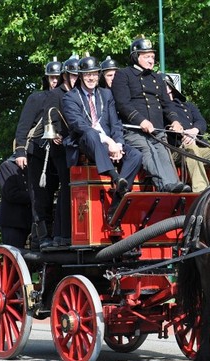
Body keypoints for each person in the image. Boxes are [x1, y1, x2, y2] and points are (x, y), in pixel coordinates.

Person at [63, 55, 142, 221]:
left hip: (110, 142)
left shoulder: (106, 95)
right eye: (87, 74)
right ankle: (115, 176)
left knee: (136, 155)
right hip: (85, 143)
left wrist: (118, 144)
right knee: (91, 133)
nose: (91, 78)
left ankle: (119, 198)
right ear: (81, 76)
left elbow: (115, 123)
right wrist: (108, 141)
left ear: (98, 75)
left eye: (94, 74)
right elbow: (79, 125)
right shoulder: (70, 97)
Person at [111, 37, 191, 193]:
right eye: (146, 56)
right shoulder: (123, 75)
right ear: (136, 56)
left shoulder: (157, 78)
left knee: (163, 152)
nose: (151, 60)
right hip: (134, 131)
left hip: (157, 130)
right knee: (149, 151)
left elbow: (167, 104)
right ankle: (164, 186)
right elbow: (123, 104)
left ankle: (175, 187)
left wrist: (175, 121)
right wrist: (141, 121)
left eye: (152, 57)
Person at [13, 57, 63, 249]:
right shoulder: (36, 98)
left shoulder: (68, 98)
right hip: (38, 154)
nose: (55, 81)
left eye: (58, 77)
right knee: (41, 197)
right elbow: (24, 126)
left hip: (60, 154)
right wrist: (20, 152)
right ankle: (42, 237)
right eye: (51, 78)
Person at [39, 55, 80, 247]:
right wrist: (55, 133)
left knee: (74, 188)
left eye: (77, 76)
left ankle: (70, 232)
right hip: (60, 147)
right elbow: (50, 116)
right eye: (72, 76)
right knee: (67, 186)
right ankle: (62, 234)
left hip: (76, 145)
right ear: (65, 76)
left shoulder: (80, 93)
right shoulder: (56, 94)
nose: (75, 79)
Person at [164, 76, 210, 192]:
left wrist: (194, 131)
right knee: (191, 148)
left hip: (198, 145)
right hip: (176, 149)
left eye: (168, 90)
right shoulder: (159, 108)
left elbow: (201, 122)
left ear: (171, 89)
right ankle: (201, 190)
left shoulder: (188, 106)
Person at [0, 154, 33, 249]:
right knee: (13, 254)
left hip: (30, 221)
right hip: (13, 222)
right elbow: (11, 194)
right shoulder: (7, 166)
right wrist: (35, 197)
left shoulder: (33, 167)